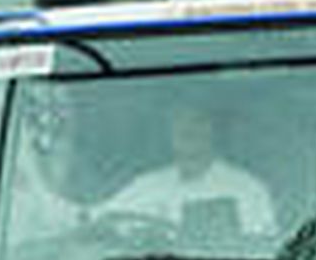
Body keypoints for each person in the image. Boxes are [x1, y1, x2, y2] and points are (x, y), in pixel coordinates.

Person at [102, 104, 276, 245]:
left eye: (198, 121)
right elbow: (100, 218)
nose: (187, 128)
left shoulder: (247, 189)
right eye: (178, 120)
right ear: (169, 131)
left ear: (214, 130)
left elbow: (259, 248)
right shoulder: (146, 185)